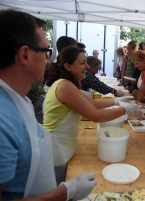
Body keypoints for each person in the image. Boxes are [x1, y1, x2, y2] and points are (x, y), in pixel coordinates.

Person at [0, 9, 96, 200]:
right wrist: (64, 193)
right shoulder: (3, 118)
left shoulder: (20, 100)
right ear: (25, 55)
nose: (48, 61)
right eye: (46, 52)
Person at [43, 46, 142, 185]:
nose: (88, 67)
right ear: (68, 66)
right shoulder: (65, 86)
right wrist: (126, 109)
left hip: (62, 145)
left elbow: (91, 103)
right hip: (56, 148)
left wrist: (117, 101)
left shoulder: (68, 84)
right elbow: (96, 116)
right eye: (82, 63)